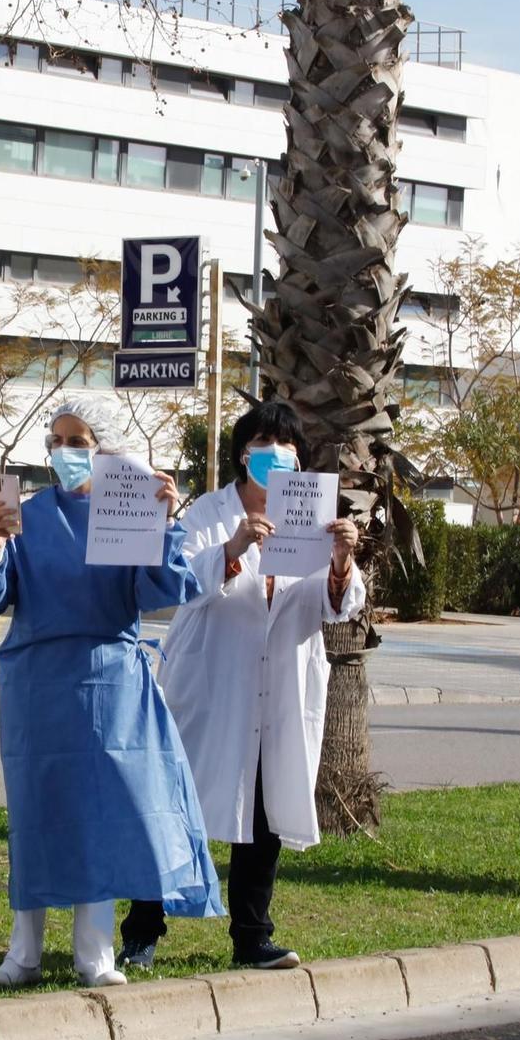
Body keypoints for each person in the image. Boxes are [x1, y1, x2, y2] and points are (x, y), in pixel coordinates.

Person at [0, 395, 222, 989]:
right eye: (56, 441)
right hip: (37, 684)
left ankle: (94, 954)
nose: (65, 452)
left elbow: (164, 589)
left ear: (105, 447)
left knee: (99, 816)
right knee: (36, 812)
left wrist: (166, 523)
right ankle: (23, 952)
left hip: (111, 681)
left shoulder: (128, 513)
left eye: (78, 441)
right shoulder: (26, 516)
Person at [119, 401, 364, 970]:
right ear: (242, 456)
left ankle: (252, 937)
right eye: (263, 447)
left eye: (287, 449)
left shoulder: (311, 518)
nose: (276, 458)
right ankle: (142, 931)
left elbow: (336, 609)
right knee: (177, 807)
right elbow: (178, 579)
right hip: (211, 683)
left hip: (277, 686)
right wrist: (233, 549)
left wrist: (341, 564)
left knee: (262, 814)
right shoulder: (209, 512)